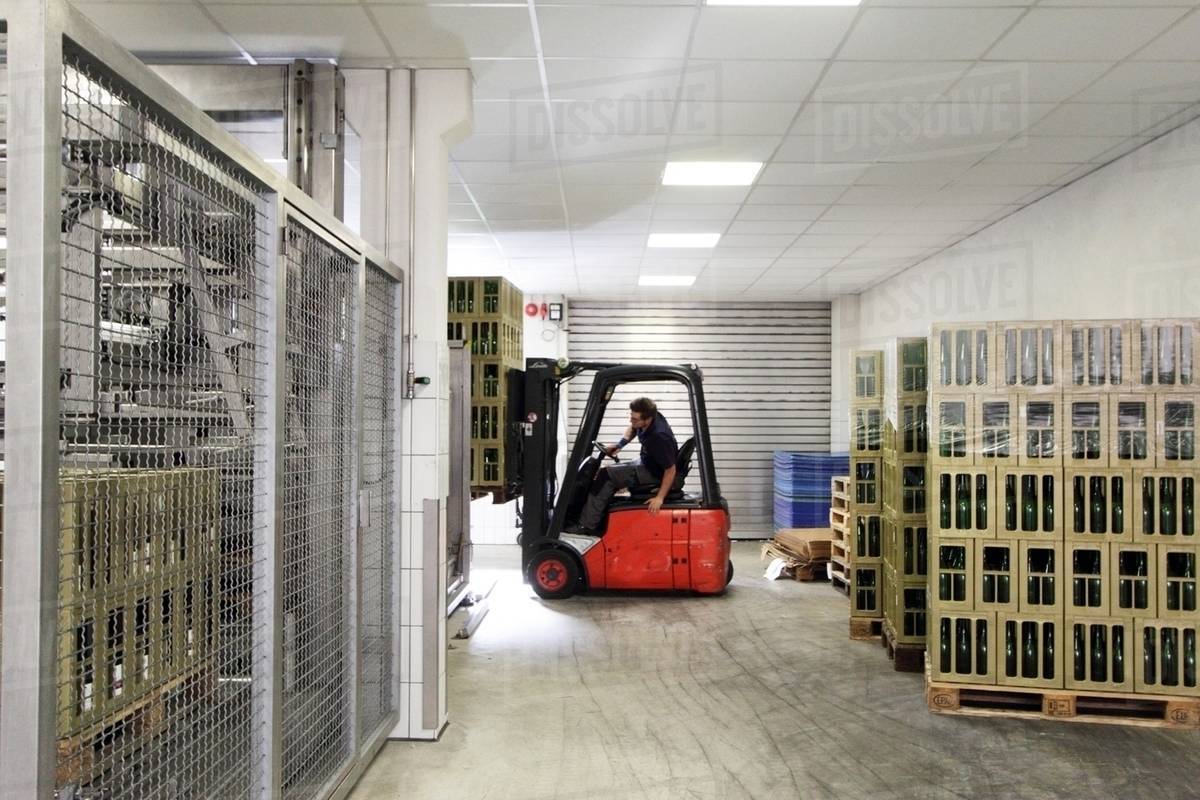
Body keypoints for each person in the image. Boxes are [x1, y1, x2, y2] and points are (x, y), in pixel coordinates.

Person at [570, 397, 680, 534]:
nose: (631, 421)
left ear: (647, 419)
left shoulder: (660, 437)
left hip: (655, 473)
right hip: (647, 462)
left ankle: (586, 526)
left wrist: (659, 498)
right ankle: (599, 514)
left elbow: (670, 469)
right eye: (631, 417)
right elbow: (634, 428)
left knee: (606, 475)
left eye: (635, 419)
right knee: (609, 472)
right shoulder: (650, 416)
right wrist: (620, 445)